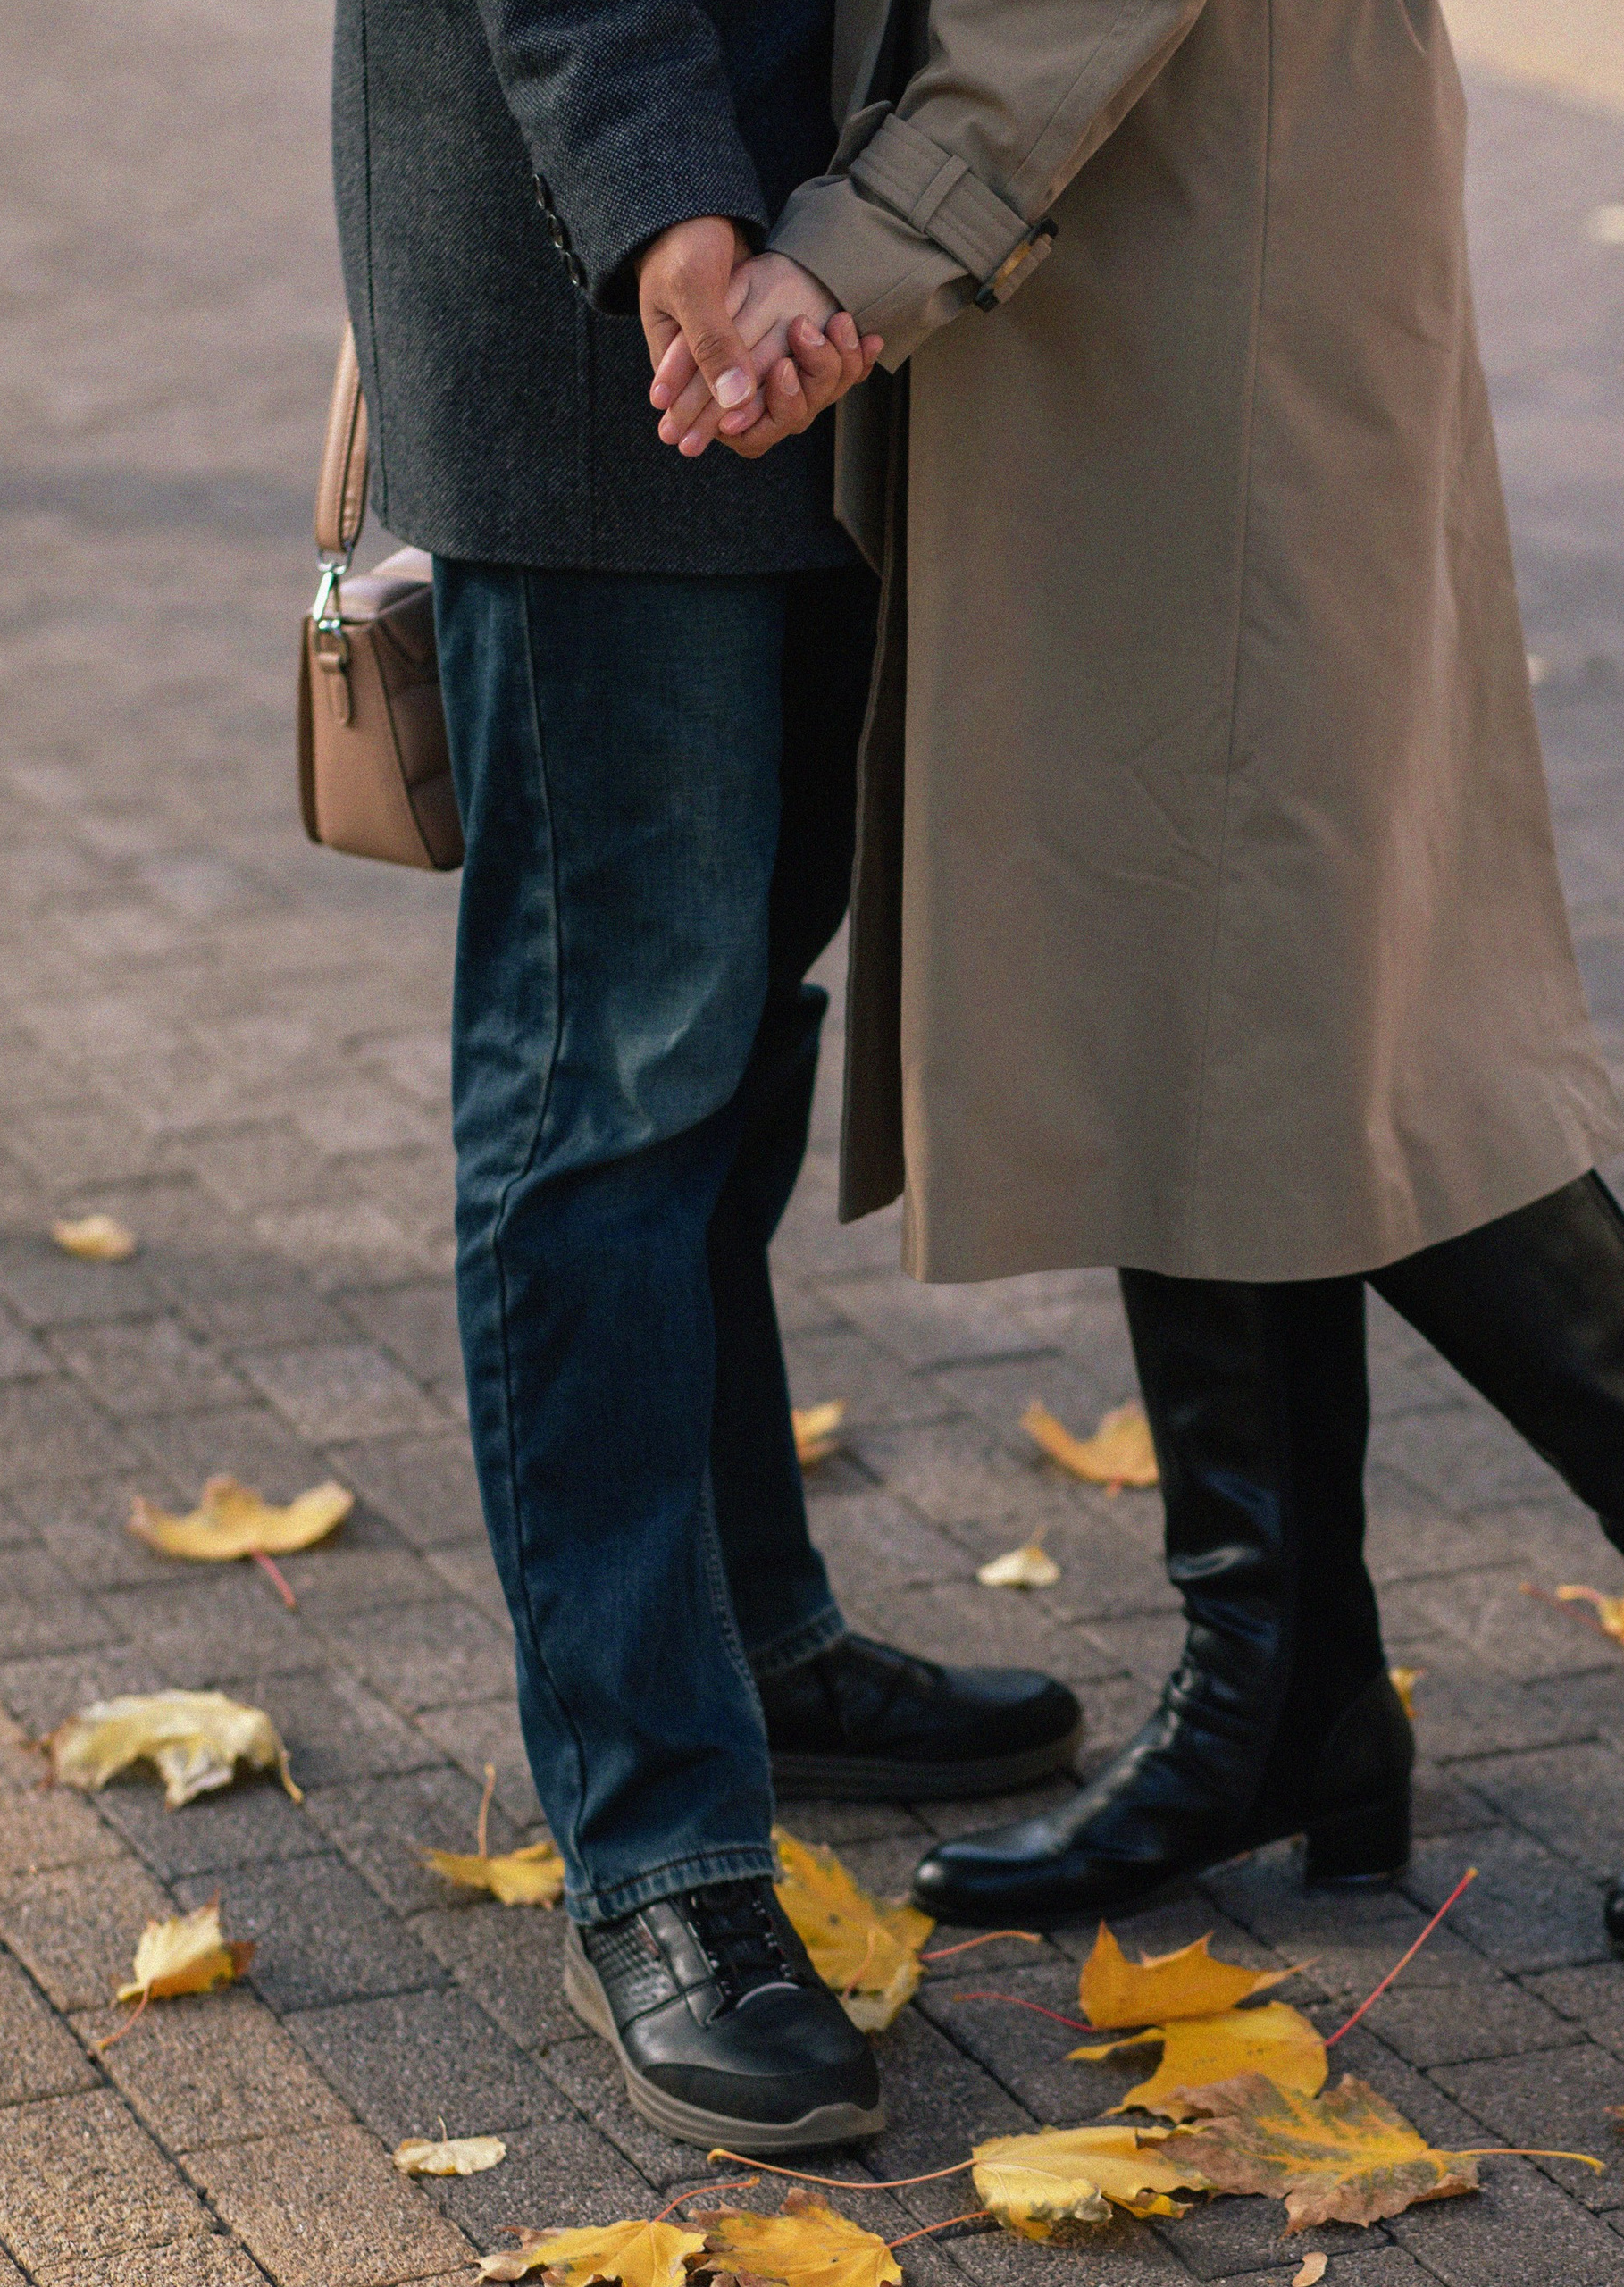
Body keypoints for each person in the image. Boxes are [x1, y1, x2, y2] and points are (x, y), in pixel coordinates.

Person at [652, 0, 1624, 1956]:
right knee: (1193, 986)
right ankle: (1282, 1680)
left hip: (1197, 236)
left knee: (1290, 996)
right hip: (1121, 238)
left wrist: (848, 248)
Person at [330, 0, 1082, 2150]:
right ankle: (658, 1843)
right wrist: (669, 203)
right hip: (625, 326)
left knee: (738, 1037)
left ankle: (748, 1628)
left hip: (831, 307)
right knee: (611, 1079)